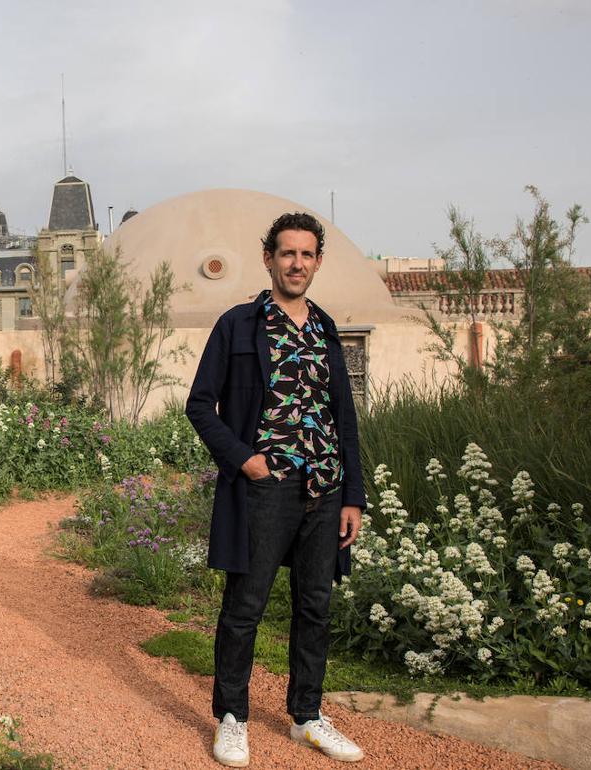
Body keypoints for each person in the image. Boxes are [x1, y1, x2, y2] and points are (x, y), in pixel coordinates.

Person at [185, 211, 366, 766]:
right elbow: (199, 405)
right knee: (246, 606)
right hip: (265, 489)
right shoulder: (238, 325)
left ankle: (307, 717)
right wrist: (245, 461)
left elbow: (343, 415)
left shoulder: (325, 328)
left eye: (307, 254)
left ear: (317, 262)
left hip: (324, 488)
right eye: (287, 253)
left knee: (315, 605)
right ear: (269, 258)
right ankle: (232, 718)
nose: (297, 263)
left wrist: (354, 494)